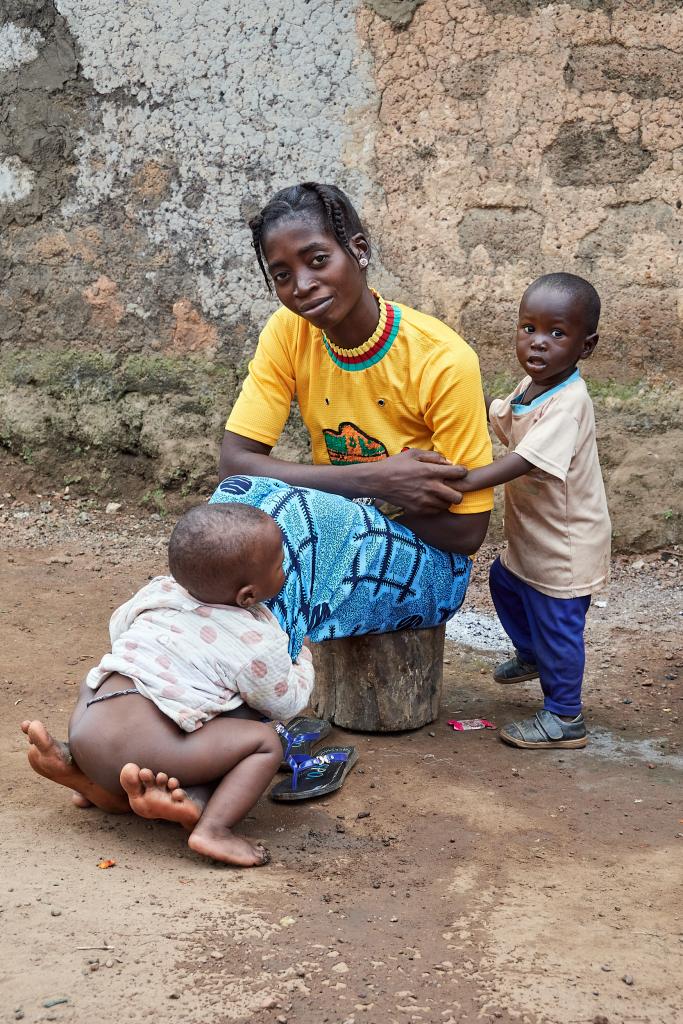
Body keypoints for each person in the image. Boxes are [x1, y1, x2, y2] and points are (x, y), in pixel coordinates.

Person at [214, 182, 494, 645]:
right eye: (282, 275)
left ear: (358, 250)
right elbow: (236, 466)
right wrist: (374, 481)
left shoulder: (441, 359)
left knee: (293, 523)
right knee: (232, 514)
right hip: (331, 535)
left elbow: (467, 530)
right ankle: (208, 677)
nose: (302, 286)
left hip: (431, 570)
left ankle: (254, 697)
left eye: (318, 260)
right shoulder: (289, 332)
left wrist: (347, 512)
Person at [21, 503, 315, 867]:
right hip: (151, 748)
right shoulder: (255, 640)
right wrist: (300, 658)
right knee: (262, 738)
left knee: (111, 668)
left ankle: (92, 778)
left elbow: (119, 631)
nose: (284, 571)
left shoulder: (159, 591)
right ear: (248, 596)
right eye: (279, 566)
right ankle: (214, 828)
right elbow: (284, 703)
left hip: (89, 725)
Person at [455, 273, 611, 749]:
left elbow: (521, 460)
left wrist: (460, 484)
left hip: (566, 543)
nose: (538, 344)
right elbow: (506, 421)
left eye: (557, 334)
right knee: (505, 582)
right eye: (529, 329)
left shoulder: (570, 402)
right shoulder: (534, 384)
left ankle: (565, 717)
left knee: (557, 621)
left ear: (586, 346)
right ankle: (534, 655)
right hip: (534, 536)